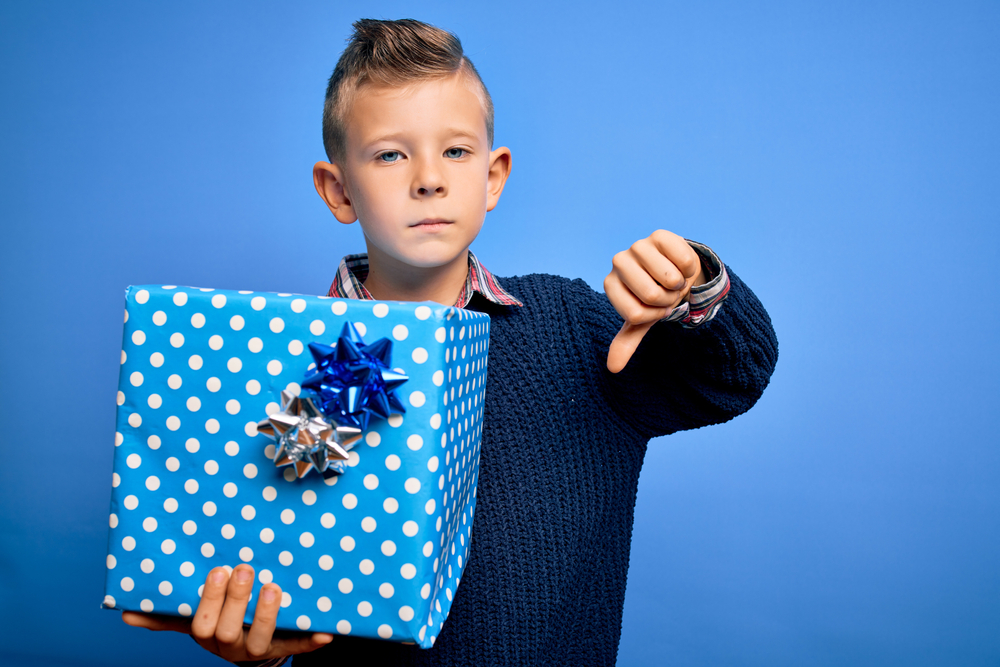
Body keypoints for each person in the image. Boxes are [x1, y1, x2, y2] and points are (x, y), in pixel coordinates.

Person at [123, 18, 778, 666]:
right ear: (337, 188)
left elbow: (732, 376)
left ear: (493, 177)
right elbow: (263, 557)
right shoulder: (279, 363)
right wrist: (260, 646)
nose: (428, 178)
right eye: (390, 153)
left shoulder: (571, 328)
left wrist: (692, 284)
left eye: (455, 151)